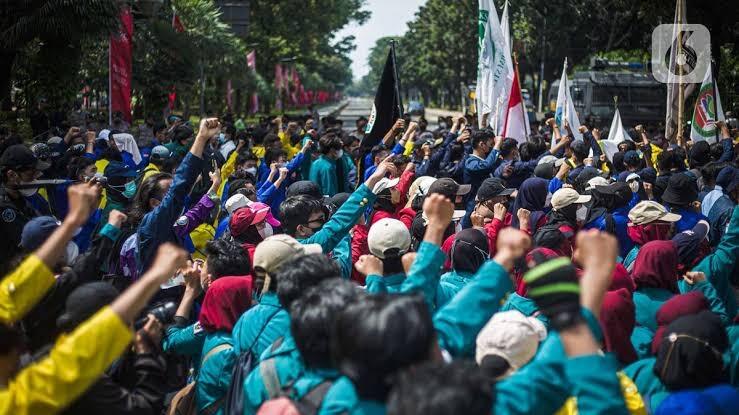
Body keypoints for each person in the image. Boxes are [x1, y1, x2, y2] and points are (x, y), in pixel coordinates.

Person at [0, 181, 188, 415]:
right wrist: (147, 357)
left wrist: (73, 221)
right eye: (17, 355)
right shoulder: (19, 402)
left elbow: (13, 294)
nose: (22, 357)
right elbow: (75, 356)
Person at [136, 118, 220, 274]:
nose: (174, 190)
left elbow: (195, 214)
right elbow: (179, 188)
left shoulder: (173, 224)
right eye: (169, 190)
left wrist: (215, 185)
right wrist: (201, 138)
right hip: (159, 297)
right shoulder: (152, 224)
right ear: (154, 203)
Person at [533, 187, 591, 257]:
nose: (583, 208)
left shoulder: (551, 217)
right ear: (569, 209)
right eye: (579, 205)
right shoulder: (566, 232)